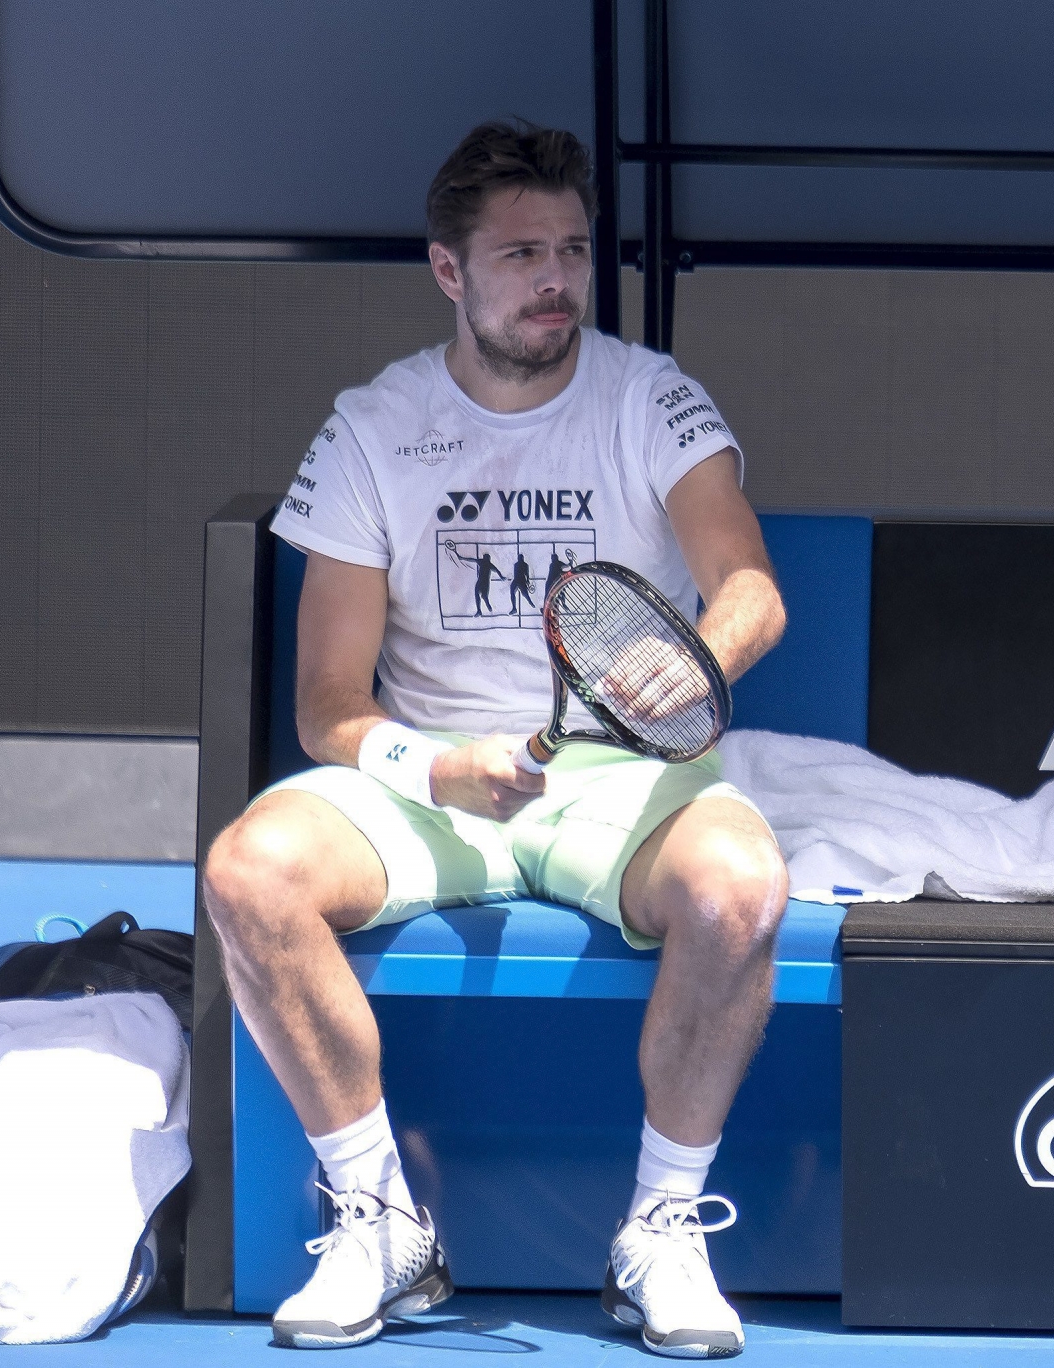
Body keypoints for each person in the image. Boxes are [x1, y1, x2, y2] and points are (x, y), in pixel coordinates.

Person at [201, 120, 788, 1358]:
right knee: (250, 871)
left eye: (570, 250)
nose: (554, 280)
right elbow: (326, 703)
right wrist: (436, 767)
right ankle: (378, 1217)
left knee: (740, 891)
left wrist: (672, 676)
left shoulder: (650, 398)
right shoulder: (371, 429)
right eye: (520, 253)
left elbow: (749, 590)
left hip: (623, 774)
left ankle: (662, 1231)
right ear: (449, 271)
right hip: (433, 785)